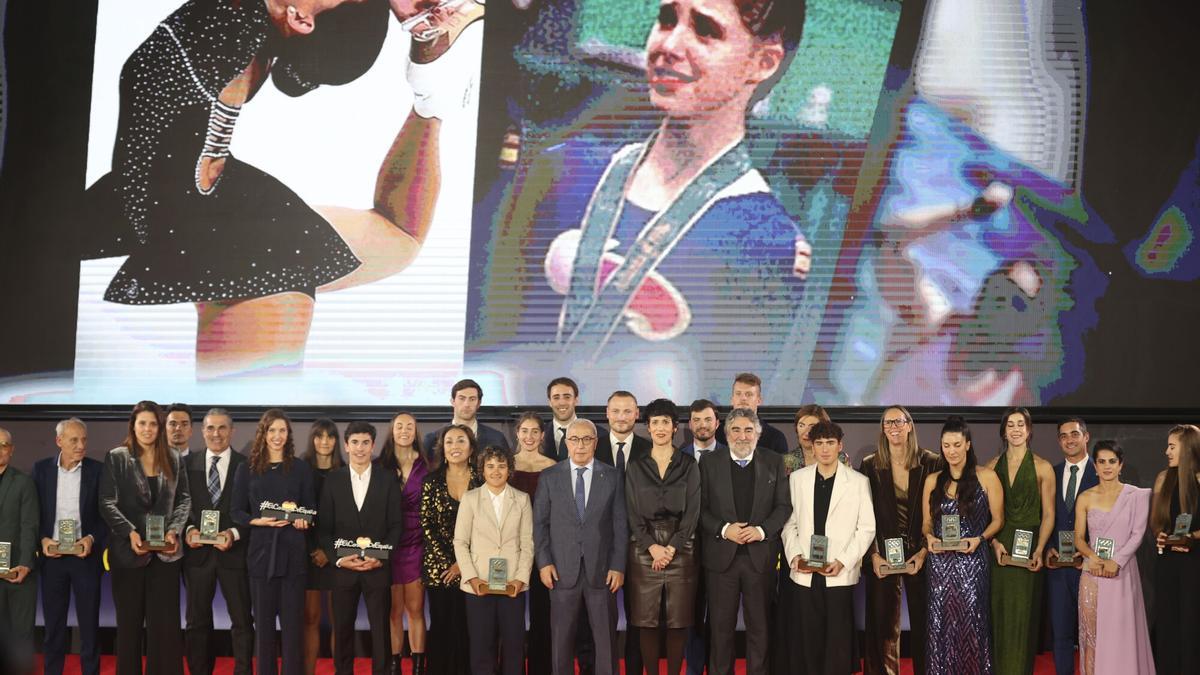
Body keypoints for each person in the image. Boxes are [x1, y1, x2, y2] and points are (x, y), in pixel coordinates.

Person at [86, 0, 483, 376]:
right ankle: (432, 90)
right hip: (188, 206)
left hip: (220, 232)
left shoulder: (233, 23)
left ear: (300, 18)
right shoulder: (243, 27)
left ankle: (432, 94)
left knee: (251, 426)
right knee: (400, 236)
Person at [465, 0, 807, 403]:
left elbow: (716, 418)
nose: (670, 44)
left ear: (762, 63)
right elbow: (479, 335)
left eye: (705, 30)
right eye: (666, 19)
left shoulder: (768, 243)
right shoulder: (561, 169)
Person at [99, 400, 192, 675]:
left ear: (160, 427)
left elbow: (184, 499)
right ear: (133, 425)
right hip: (128, 555)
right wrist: (130, 533)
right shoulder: (116, 456)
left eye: (153, 423)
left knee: (164, 629)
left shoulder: (174, 457)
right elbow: (106, 502)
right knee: (128, 627)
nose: (148, 429)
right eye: (142, 423)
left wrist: (174, 530)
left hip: (166, 556)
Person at [699, 408, 792, 675]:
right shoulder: (709, 462)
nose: (742, 436)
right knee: (720, 631)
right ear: (726, 433)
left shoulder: (774, 461)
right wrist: (724, 529)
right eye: (736, 430)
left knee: (760, 631)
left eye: (748, 430)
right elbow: (699, 509)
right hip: (721, 561)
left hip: (759, 560)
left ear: (757, 434)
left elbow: (783, 507)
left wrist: (762, 531)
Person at [533, 418, 628, 675]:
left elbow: (620, 525)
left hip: (602, 571)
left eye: (587, 439)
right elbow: (540, 524)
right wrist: (544, 563)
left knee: (605, 639)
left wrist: (618, 565)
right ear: (567, 443)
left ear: (596, 443)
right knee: (561, 638)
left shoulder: (612, 476)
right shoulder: (550, 476)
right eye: (575, 439)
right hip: (561, 571)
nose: (581, 445)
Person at [782, 421, 875, 675]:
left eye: (830, 443)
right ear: (811, 446)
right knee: (808, 638)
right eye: (819, 443)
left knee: (838, 639)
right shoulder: (797, 480)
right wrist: (795, 557)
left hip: (839, 571)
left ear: (840, 446)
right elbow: (788, 524)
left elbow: (866, 528)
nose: (824, 449)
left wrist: (844, 561)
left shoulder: (857, 482)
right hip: (805, 571)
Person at [231, 409, 315, 675]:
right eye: (272, 430)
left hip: (293, 555)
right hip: (261, 555)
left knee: (293, 629)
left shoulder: (301, 468)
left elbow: (311, 509)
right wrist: (258, 521)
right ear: (263, 434)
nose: (277, 436)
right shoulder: (247, 468)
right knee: (264, 629)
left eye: (282, 430)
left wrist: (304, 520)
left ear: (288, 434)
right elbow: (236, 511)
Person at [858, 406, 942, 675]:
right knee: (882, 626)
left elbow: (940, 512)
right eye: (888, 422)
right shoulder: (870, 465)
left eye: (899, 421)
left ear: (909, 425)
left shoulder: (931, 462)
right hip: (883, 554)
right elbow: (863, 514)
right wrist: (872, 554)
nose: (893, 426)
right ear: (883, 428)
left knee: (925, 623)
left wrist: (926, 551)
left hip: (922, 552)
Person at [318, 420, 405, 675]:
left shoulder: (387, 480)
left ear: (373, 445)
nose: (360, 448)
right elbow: (324, 529)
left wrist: (382, 558)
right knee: (342, 629)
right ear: (346, 445)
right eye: (354, 442)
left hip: (377, 570)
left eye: (365, 442)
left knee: (380, 630)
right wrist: (338, 559)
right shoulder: (332, 480)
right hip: (343, 571)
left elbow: (396, 525)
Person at [922, 416, 1004, 675]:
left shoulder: (987, 477)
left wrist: (979, 539)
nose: (951, 451)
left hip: (973, 561)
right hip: (940, 565)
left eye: (957, 444)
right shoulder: (933, 480)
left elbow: (999, 520)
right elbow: (926, 524)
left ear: (968, 444)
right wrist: (930, 539)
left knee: (973, 623)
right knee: (940, 624)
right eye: (946, 445)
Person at [625, 398, 701, 675]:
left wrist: (671, 549)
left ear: (674, 427)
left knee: (678, 621)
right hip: (643, 552)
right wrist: (652, 548)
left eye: (665, 422)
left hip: (682, 550)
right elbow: (632, 514)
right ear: (647, 427)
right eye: (654, 422)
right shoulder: (635, 466)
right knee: (646, 621)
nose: (659, 427)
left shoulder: (689, 465)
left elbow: (693, 513)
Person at [1072, 440, 1153, 675]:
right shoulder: (1085, 497)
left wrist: (1115, 561)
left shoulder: (1136, 496)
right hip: (1092, 572)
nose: (1107, 467)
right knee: (1093, 634)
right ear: (1095, 466)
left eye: (1112, 461)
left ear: (1120, 465)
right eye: (1101, 462)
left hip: (1122, 571)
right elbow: (1078, 538)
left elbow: (1138, 534)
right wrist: (1093, 558)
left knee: (1122, 632)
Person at [453, 446, 535, 675]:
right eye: (490, 466)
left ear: (509, 469)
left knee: (514, 645)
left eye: (501, 466)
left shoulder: (521, 499)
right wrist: (471, 577)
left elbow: (527, 544)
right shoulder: (470, 499)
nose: (496, 471)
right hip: (478, 584)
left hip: (512, 586)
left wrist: (520, 579)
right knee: (481, 646)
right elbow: (460, 542)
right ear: (482, 470)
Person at [986, 407, 1055, 675]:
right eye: (1010, 425)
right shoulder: (991, 466)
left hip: (1029, 552)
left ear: (1029, 429)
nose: (1015, 430)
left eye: (1020, 424)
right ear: (1003, 431)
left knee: (1023, 617)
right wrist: (994, 544)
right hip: (1000, 550)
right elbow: (987, 515)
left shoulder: (1043, 467)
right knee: (999, 613)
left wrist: (1039, 549)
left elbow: (1048, 514)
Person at [183, 409, 253, 675]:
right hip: (198, 557)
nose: (216, 434)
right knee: (196, 623)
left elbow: (252, 510)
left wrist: (234, 534)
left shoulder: (245, 465)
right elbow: (183, 506)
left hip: (234, 555)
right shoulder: (188, 465)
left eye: (222, 428)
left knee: (243, 622)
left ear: (232, 431)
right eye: (210, 428)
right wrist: (189, 529)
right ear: (202, 431)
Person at [34, 418, 105, 675]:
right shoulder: (41, 470)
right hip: (52, 559)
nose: (80, 445)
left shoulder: (98, 471)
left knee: (89, 627)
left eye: (84, 439)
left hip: (85, 559)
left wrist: (91, 539)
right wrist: (42, 539)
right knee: (53, 627)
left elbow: (104, 517)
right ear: (59, 441)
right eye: (74, 440)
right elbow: (34, 514)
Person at [421, 425, 481, 675]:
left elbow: (488, 526)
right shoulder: (431, 481)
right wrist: (451, 563)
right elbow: (427, 525)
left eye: (461, 441)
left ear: (471, 448)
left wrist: (464, 565)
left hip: (476, 568)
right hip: (440, 569)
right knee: (443, 624)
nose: (455, 446)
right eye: (449, 442)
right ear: (442, 448)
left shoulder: (483, 480)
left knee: (473, 627)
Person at [1045, 417, 1098, 675]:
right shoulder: (1050, 474)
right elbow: (1042, 517)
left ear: (1086, 437)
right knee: (1061, 634)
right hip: (1058, 568)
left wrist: (1091, 550)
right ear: (1059, 441)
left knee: (1095, 633)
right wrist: (1046, 549)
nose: (1069, 439)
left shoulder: (1101, 473)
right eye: (1064, 435)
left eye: (1074, 434)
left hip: (1090, 566)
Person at [379, 412, 430, 674]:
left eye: (410, 426)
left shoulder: (427, 465)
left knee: (416, 608)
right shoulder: (380, 465)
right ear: (392, 430)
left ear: (415, 431)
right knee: (393, 610)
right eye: (399, 426)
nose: (404, 430)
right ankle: (395, 664)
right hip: (389, 543)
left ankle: (419, 666)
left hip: (417, 542)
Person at [508, 412, 557, 675]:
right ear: (517, 433)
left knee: (543, 615)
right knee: (509, 617)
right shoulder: (505, 465)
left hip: (543, 550)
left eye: (534, 431)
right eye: (524, 431)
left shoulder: (553, 466)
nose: (529, 436)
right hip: (509, 550)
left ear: (542, 435)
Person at [678, 399, 725, 675]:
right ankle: (695, 668)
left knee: (721, 616)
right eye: (696, 420)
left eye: (707, 419)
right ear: (690, 424)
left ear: (717, 423)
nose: (702, 425)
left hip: (723, 550)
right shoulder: (678, 457)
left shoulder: (731, 456)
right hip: (687, 552)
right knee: (692, 617)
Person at [1149, 424, 1200, 674]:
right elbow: (1157, 522)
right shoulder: (1163, 478)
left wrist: (1192, 537)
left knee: (1192, 623)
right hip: (1167, 562)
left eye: (1172, 446)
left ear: (1189, 448)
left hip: (1195, 563)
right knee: (1168, 622)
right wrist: (1161, 536)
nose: (1166, 451)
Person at [302, 418, 343, 675]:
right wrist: (313, 550)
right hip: (308, 555)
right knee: (310, 620)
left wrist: (330, 552)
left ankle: (342, 670)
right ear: (312, 439)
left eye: (330, 436)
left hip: (339, 556)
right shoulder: (300, 469)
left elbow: (351, 519)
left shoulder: (347, 471)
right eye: (319, 436)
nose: (325, 441)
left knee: (341, 620)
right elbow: (299, 513)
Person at [0, 426, 40, 673]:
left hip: (17, 572)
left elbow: (29, 525)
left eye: (4, 445)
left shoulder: (24, 482)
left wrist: (26, 563)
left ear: (12, 450)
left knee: (20, 636)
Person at [423, 379, 511, 458]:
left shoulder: (496, 438)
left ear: (479, 403)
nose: (466, 404)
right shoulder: (432, 440)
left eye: (472, 399)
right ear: (452, 401)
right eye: (462, 398)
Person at [715, 374, 789, 453]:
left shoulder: (775, 438)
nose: (743, 398)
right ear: (732, 399)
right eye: (738, 394)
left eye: (749, 394)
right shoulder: (718, 434)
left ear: (759, 400)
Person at [596, 390, 651, 471]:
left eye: (627, 411)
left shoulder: (650, 449)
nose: (621, 417)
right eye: (615, 411)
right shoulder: (593, 447)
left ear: (636, 414)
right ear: (607, 413)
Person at [544, 377, 581, 460]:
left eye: (567, 397)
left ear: (576, 400)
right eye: (556, 398)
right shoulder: (539, 434)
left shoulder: (597, 434)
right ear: (549, 402)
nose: (562, 403)